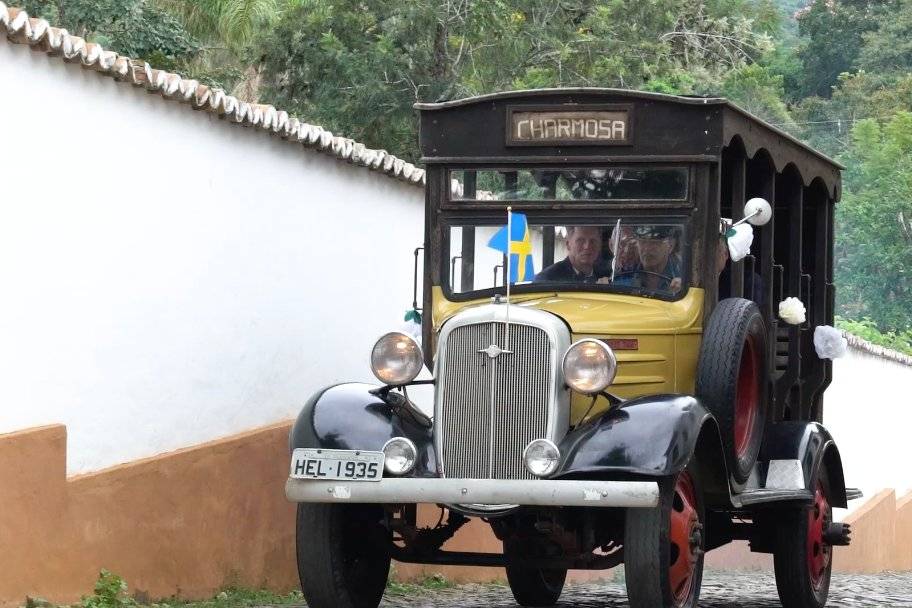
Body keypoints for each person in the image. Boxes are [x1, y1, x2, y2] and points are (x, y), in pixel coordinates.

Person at [613, 225, 683, 293]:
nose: (647, 249)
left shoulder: (683, 274)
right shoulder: (626, 271)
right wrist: (605, 284)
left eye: (654, 243)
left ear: (670, 245)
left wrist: (682, 288)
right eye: (642, 242)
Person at [534, 226, 610, 283]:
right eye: (580, 240)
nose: (587, 246)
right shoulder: (548, 279)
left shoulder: (608, 277)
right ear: (568, 244)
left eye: (593, 241)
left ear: (600, 246)